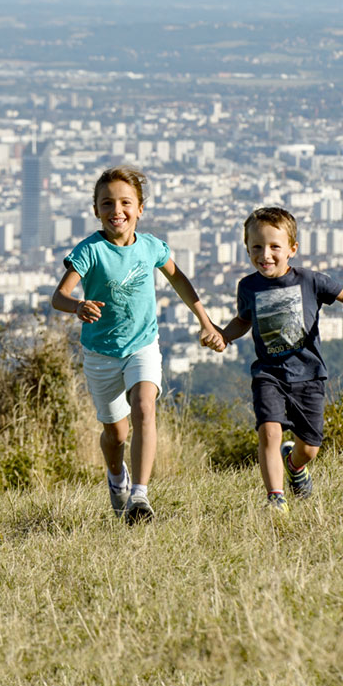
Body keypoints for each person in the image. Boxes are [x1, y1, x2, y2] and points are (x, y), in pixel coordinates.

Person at [50, 165, 224, 524]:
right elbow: (60, 295)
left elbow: (180, 281)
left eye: (126, 202)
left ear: (140, 209)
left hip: (142, 345)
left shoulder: (151, 247)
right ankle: (117, 477)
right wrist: (78, 306)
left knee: (145, 405)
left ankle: (140, 496)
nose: (117, 210)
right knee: (116, 433)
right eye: (107, 203)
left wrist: (206, 322)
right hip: (100, 353)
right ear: (96, 210)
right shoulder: (90, 250)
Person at [216, 206, 343, 509]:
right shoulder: (247, 286)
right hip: (269, 374)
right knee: (269, 431)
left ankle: (295, 465)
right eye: (257, 247)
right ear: (247, 248)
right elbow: (243, 320)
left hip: (309, 375)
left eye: (275, 247)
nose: (266, 254)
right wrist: (223, 335)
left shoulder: (310, 280)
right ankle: (275, 499)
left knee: (310, 449)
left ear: (292, 249)